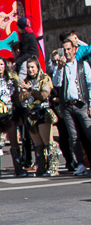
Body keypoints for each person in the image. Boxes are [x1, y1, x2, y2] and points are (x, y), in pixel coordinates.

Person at [51, 36, 91, 176]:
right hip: (66, 106)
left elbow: (90, 85)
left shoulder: (83, 65)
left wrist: (90, 104)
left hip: (81, 104)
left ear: (75, 50)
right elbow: (56, 83)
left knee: (89, 132)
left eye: (69, 49)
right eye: (64, 49)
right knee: (73, 137)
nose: (67, 52)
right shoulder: (59, 67)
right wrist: (60, 68)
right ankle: (80, 164)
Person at [20, 58, 59, 177]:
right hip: (31, 114)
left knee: (48, 141)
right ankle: (41, 167)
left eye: (32, 67)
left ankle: (53, 167)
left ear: (38, 67)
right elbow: (21, 98)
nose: (30, 70)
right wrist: (23, 91)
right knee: (37, 144)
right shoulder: (26, 81)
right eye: (28, 67)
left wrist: (30, 89)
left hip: (43, 112)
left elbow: (44, 95)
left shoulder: (45, 78)